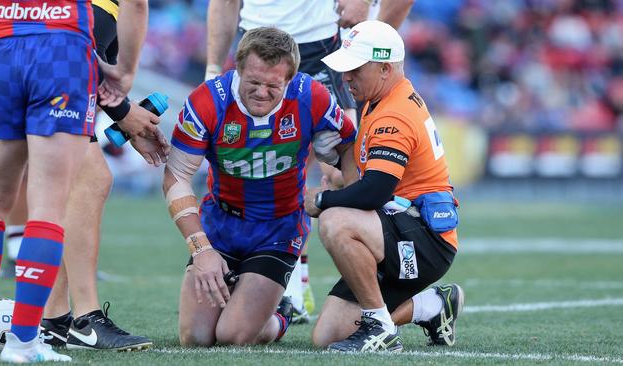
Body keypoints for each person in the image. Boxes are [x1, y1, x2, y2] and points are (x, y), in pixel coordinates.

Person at [205, 0, 415, 322]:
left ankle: (387, 293)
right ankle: (289, 288)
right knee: (262, 172)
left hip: (318, 47)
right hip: (256, 48)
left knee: (343, 175)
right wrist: (212, 69)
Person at [0, 0, 163, 352]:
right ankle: (54, 329)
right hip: (58, 52)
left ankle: (45, 320)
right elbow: (129, 9)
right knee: (65, 194)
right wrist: (122, 100)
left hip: (3, 41)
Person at [164, 27, 356, 347]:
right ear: (238, 69)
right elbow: (176, 176)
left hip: (277, 229)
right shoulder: (206, 101)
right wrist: (202, 249)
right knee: (194, 339)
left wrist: (343, 186)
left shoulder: (312, 96)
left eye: (273, 85)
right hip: (220, 225)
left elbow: (348, 147)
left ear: (291, 79)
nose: (262, 93)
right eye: (253, 82)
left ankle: (279, 317)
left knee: (232, 336)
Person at [304, 20, 464, 352]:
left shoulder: (395, 114)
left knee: (336, 220)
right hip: (400, 228)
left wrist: (322, 200)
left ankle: (380, 328)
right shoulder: (381, 98)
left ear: (384, 69)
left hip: (423, 240)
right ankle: (432, 307)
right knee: (327, 336)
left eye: (355, 70)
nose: (346, 77)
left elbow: (375, 191)